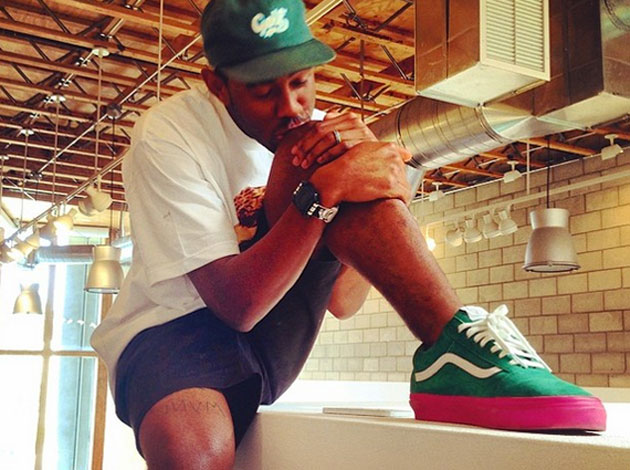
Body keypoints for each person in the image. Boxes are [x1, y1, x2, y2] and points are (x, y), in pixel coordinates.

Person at [91, 0, 606, 468]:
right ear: (217, 84)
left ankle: (451, 344)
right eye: (263, 91)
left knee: (342, 160)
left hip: (279, 333)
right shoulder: (170, 132)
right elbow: (235, 306)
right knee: (196, 455)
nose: (291, 107)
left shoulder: (322, 135)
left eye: (300, 82)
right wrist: (326, 190)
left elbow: (343, 300)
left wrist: (380, 190)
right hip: (175, 333)